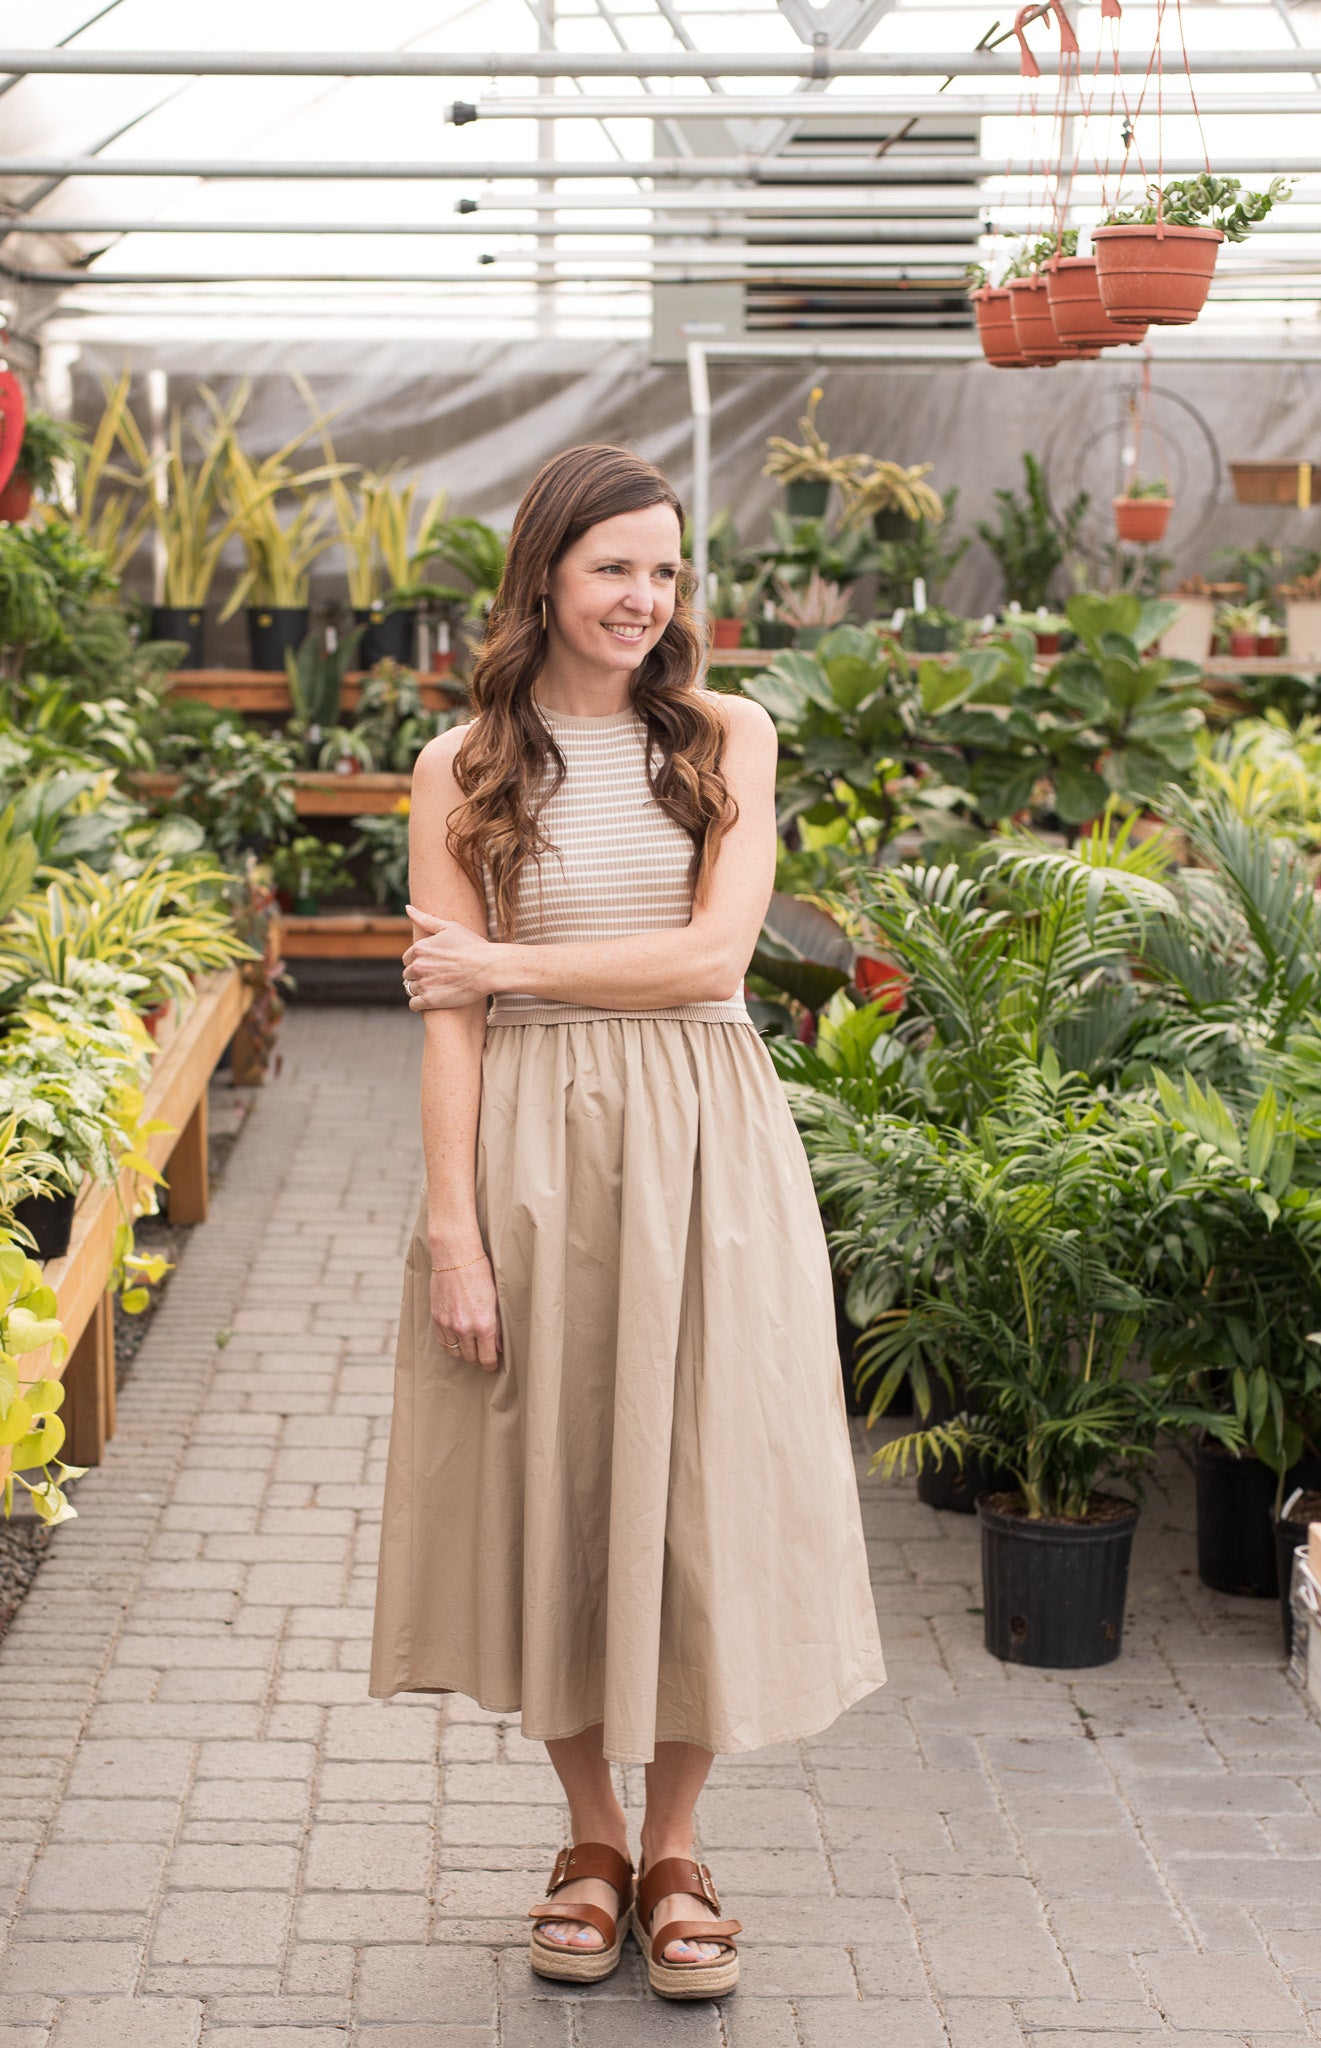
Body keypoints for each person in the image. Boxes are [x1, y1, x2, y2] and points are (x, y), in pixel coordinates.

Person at [369, 443, 885, 2002]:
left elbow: (711, 958)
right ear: (543, 576)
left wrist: (502, 966)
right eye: (613, 570)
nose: (643, 599)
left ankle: (677, 1848)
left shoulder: (729, 734)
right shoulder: (458, 765)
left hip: (703, 1141)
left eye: (664, 571)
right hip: (525, 1150)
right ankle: (587, 1838)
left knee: (701, 1483)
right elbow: (437, 1025)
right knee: (560, 1483)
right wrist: (453, 1233)